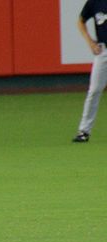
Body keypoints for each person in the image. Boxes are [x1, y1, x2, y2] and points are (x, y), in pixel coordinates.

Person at [73, 0, 107, 143]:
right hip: (103, 50)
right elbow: (81, 21)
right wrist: (90, 42)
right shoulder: (95, 2)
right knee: (94, 91)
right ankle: (84, 131)